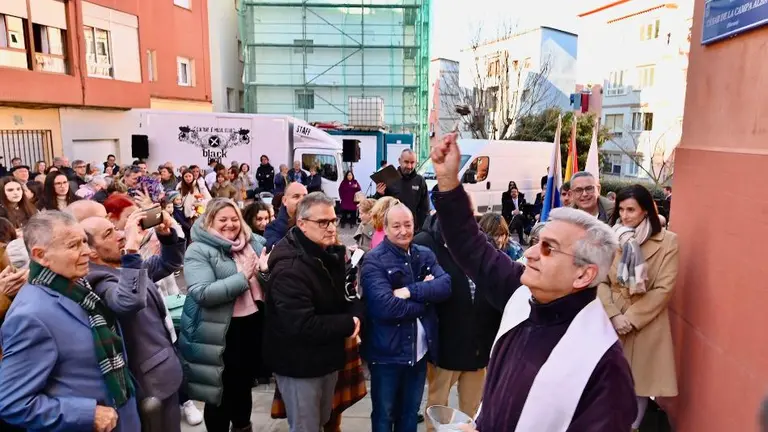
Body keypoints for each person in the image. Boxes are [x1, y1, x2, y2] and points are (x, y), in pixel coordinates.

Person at [429, 133, 637, 431]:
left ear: (584, 274)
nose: (529, 253)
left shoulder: (604, 365)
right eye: (537, 242)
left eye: (549, 248)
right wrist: (449, 180)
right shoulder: (522, 293)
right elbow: (471, 246)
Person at [0, 211, 140, 431]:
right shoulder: (29, 316)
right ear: (40, 255)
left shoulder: (75, 285)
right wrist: (87, 414)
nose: (87, 251)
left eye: (84, 241)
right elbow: (11, 402)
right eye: (74, 245)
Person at [263, 192, 365, 432]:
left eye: (333, 220)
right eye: (323, 222)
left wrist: (356, 313)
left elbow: (345, 294)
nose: (331, 227)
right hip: (300, 365)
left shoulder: (325, 251)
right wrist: (349, 323)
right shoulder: (290, 268)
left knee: (321, 420)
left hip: (325, 356)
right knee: (305, 426)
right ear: (302, 224)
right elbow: (302, 325)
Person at [82, 208, 186, 431]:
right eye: (109, 234)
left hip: (163, 373)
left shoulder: (122, 268)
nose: (120, 235)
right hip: (150, 387)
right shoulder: (98, 282)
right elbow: (127, 301)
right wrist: (131, 249)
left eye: (116, 229)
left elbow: (169, 263)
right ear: (90, 251)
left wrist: (166, 236)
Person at [361, 204, 451, 432]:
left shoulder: (424, 254)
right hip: (386, 356)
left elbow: (445, 286)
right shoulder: (374, 260)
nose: (403, 231)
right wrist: (426, 300)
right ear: (386, 228)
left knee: (410, 415)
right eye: (397, 226)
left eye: (407, 225)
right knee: (384, 415)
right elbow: (385, 307)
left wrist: (410, 291)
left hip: (418, 356)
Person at [180, 198, 268, 432]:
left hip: (251, 325)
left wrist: (265, 272)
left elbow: (265, 285)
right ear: (210, 221)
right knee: (219, 394)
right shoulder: (199, 250)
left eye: (234, 219)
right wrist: (242, 277)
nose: (230, 224)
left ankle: (242, 427)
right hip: (220, 332)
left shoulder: (253, 243)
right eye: (222, 219)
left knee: (243, 386)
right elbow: (202, 293)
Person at [599, 184, 679, 431]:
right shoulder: (610, 237)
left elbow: (664, 289)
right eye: (621, 209)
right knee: (604, 383)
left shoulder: (668, 242)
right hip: (609, 321)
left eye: (631, 210)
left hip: (646, 324)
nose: (624, 215)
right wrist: (614, 315)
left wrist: (631, 318)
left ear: (646, 210)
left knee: (639, 387)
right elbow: (600, 280)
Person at [414, 213, 501, 432]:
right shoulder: (427, 244)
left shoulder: (483, 246)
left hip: (478, 345)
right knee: (437, 407)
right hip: (446, 343)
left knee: (473, 410)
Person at [376, 149, 430, 230]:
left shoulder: (420, 181)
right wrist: (379, 194)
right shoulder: (389, 178)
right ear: (399, 161)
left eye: (412, 162)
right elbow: (378, 207)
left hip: (413, 230)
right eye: (406, 162)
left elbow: (425, 209)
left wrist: (422, 230)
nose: (409, 166)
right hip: (393, 228)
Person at [264, 181, 308, 250]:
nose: (302, 200)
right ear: (284, 200)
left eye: (305, 197)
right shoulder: (272, 228)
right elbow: (278, 250)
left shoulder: (315, 223)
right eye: (296, 196)